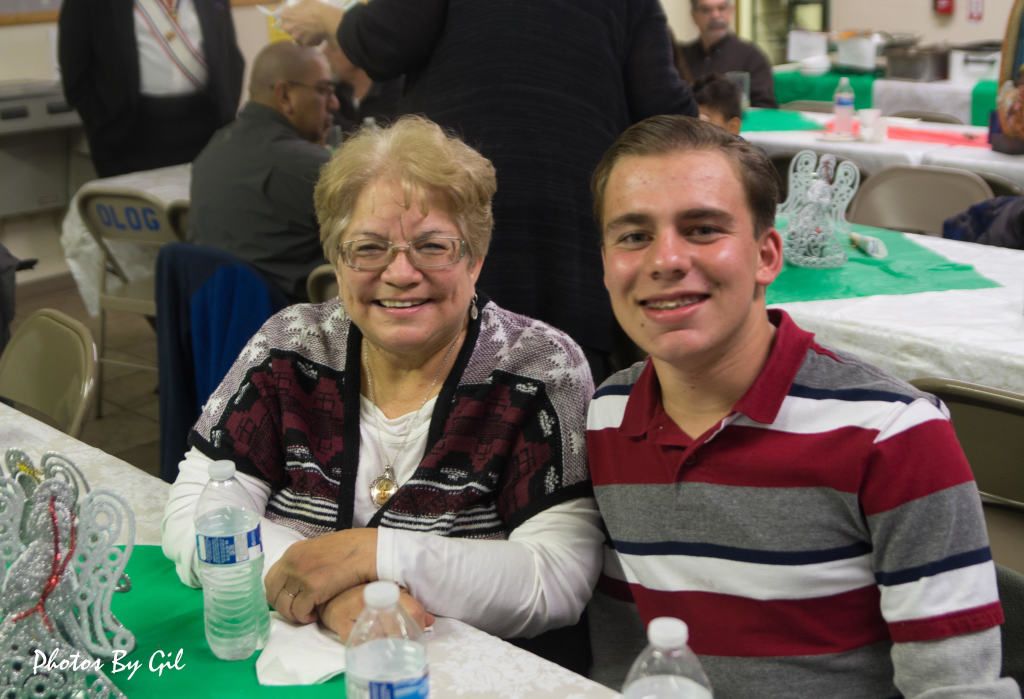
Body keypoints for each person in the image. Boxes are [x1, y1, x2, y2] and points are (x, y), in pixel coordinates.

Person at [586, 115, 1019, 697]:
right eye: (633, 235)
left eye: (703, 228)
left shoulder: (894, 435)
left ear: (767, 256)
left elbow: (954, 690)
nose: (664, 259)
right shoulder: (607, 414)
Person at [163, 116, 602, 672]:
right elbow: (193, 513)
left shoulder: (538, 368)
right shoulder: (290, 347)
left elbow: (555, 580)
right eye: (368, 248)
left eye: (432, 246)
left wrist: (372, 555)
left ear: (476, 258)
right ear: (337, 261)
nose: (400, 273)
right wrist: (336, 592)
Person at [278, 0, 697, 382]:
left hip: (459, 201)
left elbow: (387, 37)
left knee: (455, 367)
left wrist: (328, 20)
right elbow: (666, 110)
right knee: (570, 374)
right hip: (572, 221)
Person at [188, 42, 338, 302]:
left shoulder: (212, 150)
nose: (334, 103)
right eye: (323, 91)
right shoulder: (309, 166)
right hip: (297, 330)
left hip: (222, 323)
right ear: (285, 96)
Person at [58, 0, 244, 178]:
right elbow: (74, 69)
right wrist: (101, 123)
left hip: (207, 130)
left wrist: (226, 110)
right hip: (130, 134)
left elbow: (230, 55)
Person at [676, 0, 777, 109]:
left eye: (721, 8)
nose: (715, 15)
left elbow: (765, 108)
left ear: (731, 11)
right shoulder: (681, 56)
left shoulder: (752, 57)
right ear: (694, 15)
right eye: (706, 10)